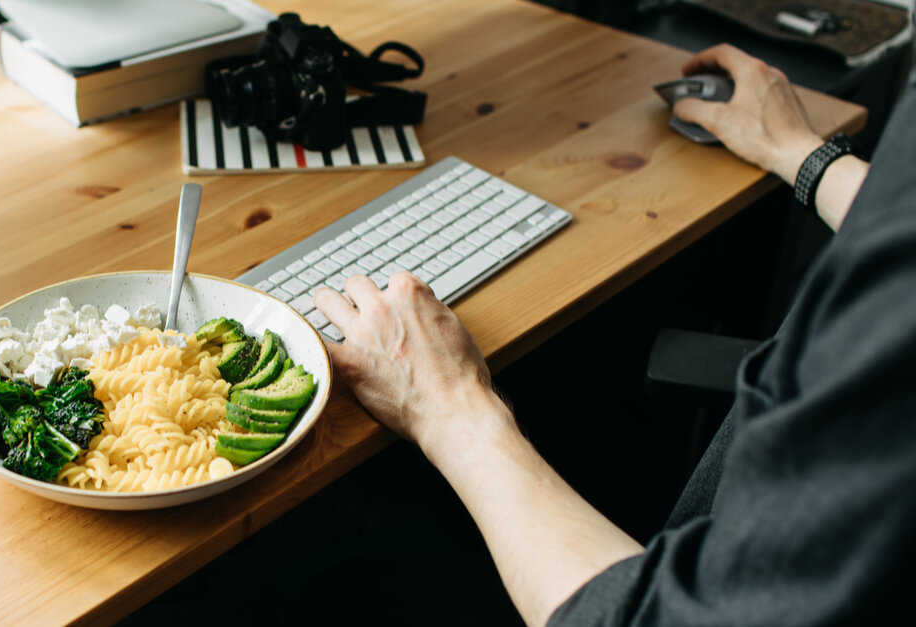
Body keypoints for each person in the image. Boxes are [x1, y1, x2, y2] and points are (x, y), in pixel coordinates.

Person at [313, 42, 914, 626]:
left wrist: (451, 407)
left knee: (328, 594)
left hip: (671, 576)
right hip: (726, 522)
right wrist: (804, 155)